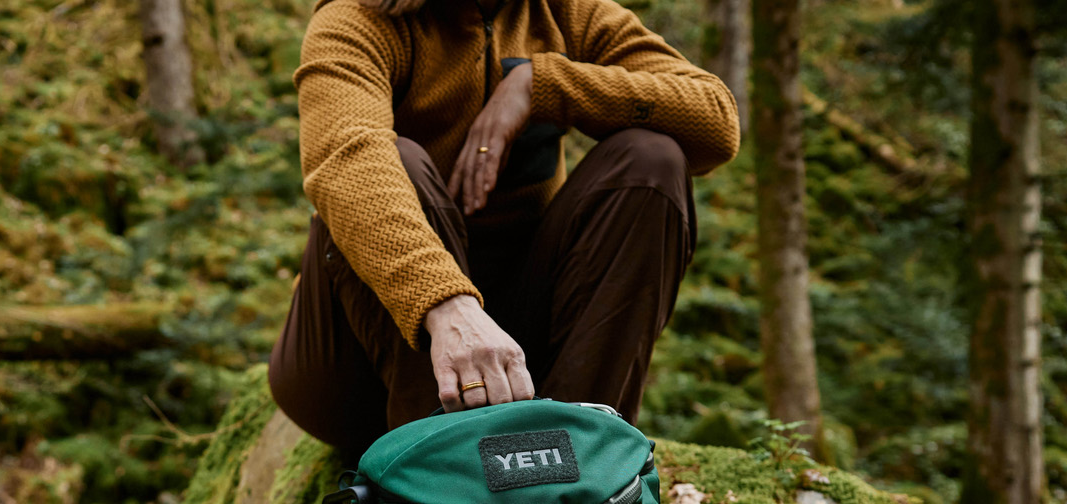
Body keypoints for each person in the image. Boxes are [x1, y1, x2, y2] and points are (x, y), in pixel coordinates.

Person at [269, 0, 740, 458]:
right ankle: (444, 485)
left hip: (515, 343)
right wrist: (443, 303)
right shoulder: (357, 18)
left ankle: (580, 461)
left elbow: (716, 121)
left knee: (650, 162)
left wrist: (542, 85)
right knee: (395, 164)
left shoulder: (566, 13)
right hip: (357, 368)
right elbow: (345, 160)